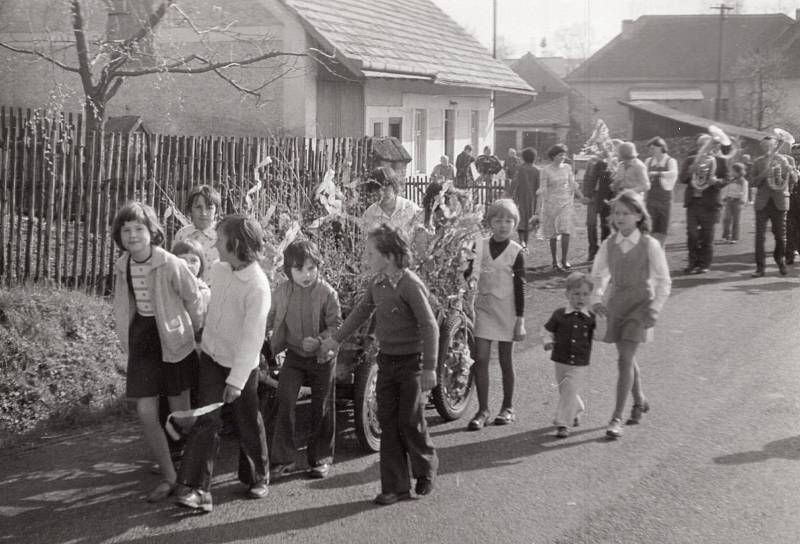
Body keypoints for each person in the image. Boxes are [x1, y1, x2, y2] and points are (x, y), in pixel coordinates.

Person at [321, 225, 438, 506]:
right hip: (386, 362)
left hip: (412, 363)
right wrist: (336, 340)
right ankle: (394, 487)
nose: (366, 256)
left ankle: (425, 467)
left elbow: (430, 326)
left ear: (388, 255)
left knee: (409, 420)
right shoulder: (378, 283)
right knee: (388, 421)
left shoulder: (410, 284)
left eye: (370, 252)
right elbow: (361, 312)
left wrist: (431, 368)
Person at [175, 215, 271, 513]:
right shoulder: (218, 269)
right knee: (208, 420)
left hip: (242, 367)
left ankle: (258, 475)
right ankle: (198, 489)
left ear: (237, 244)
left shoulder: (257, 286)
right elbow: (207, 304)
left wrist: (237, 381)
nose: (215, 244)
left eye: (220, 239)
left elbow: (252, 339)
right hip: (213, 359)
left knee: (247, 420)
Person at [111, 201, 204, 503]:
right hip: (143, 342)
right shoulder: (123, 264)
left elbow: (194, 297)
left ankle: (197, 470)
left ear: (153, 232)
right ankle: (171, 477)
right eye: (126, 229)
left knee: (183, 416)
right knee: (146, 412)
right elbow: (125, 305)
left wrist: (193, 331)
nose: (132, 235)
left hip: (174, 342)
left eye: (139, 228)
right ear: (119, 234)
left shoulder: (169, 263)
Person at [590, 190, 671, 439]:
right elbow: (598, 274)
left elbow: (664, 281)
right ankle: (638, 400)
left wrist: (655, 309)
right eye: (616, 212)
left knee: (625, 358)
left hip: (640, 305)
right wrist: (596, 297)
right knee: (626, 356)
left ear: (638, 215)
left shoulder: (650, 244)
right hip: (616, 304)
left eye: (626, 213)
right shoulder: (609, 243)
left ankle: (616, 417)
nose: (620, 217)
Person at [267, 239, 342, 480]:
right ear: (288, 270)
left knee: (321, 406)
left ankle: (320, 458)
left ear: (318, 266)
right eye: (299, 269)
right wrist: (266, 337)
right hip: (294, 356)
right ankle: (283, 458)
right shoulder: (281, 292)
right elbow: (269, 318)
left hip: (322, 357)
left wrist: (321, 341)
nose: (306, 274)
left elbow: (337, 325)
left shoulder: (327, 292)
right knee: (285, 400)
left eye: (311, 268)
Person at [466, 199, 526, 430]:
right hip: (483, 308)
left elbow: (521, 288)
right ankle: (482, 410)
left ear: (515, 224)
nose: (503, 225)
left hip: (507, 311)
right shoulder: (479, 245)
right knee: (480, 359)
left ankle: (507, 407)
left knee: (504, 360)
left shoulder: (516, 252)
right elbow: (469, 271)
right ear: (489, 222)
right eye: (498, 220)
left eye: (508, 221)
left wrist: (520, 320)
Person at [542, 272, 596, 438]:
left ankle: (563, 423)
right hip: (560, 359)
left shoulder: (591, 318)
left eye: (585, 294)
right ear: (567, 294)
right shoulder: (559, 314)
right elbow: (547, 330)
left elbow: (600, 333)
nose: (581, 298)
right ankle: (577, 408)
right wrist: (547, 341)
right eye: (576, 294)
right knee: (564, 389)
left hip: (579, 362)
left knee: (569, 388)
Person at [678, 133, 730, 274]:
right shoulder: (690, 160)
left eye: (708, 145)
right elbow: (682, 178)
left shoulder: (720, 160)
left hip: (710, 203)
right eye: (702, 145)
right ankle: (692, 263)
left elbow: (726, 179)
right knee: (692, 234)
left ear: (713, 146)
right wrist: (690, 172)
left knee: (707, 236)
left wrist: (717, 182)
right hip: (693, 202)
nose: (704, 148)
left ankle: (704, 264)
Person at [750, 136, 793, 277]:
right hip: (762, 203)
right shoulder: (758, 162)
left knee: (780, 237)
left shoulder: (783, 160)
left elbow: (790, 180)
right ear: (762, 146)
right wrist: (764, 173)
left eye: (771, 145)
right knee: (759, 237)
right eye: (765, 145)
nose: (768, 147)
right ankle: (760, 268)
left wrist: (789, 171)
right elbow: (752, 182)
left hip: (779, 202)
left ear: (775, 145)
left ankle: (779, 259)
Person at [539, 144, 585, 271]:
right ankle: (554, 260)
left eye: (564, 154)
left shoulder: (567, 168)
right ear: (553, 156)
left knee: (566, 230)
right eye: (560, 155)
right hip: (551, 204)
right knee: (553, 233)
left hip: (565, 203)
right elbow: (543, 188)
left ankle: (564, 259)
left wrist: (581, 197)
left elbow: (572, 184)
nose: (563, 157)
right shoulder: (546, 170)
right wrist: (542, 203)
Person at [174, 185, 222, 282]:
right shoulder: (182, 235)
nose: (203, 213)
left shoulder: (222, 235)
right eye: (198, 207)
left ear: (216, 211)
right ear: (190, 209)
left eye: (209, 208)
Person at [363, 167, 420, 240]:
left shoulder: (410, 208)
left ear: (394, 185)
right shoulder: (370, 214)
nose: (381, 193)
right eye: (377, 189)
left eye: (385, 188)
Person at [643, 137, 678, 247]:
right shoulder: (648, 161)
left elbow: (673, 174)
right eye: (650, 149)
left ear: (661, 147)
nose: (651, 151)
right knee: (650, 228)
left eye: (653, 148)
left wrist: (657, 174)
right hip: (651, 199)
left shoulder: (670, 161)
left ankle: (660, 252)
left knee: (662, 228)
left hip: (665, 199)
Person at [583, 150, 615, 261]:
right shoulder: (591, 162)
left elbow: (611, 180)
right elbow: (587, 178)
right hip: (592, 196)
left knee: (605, 224)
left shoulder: (611, 161)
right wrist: (586, 195)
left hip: (605, 196)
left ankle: (604, 250)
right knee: (591, 224)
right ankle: (592, 250)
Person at [507, 147, 539, 251]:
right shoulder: (537, 170)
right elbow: (539, 187)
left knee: (521, 221)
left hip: (520, 198)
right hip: (533, 200)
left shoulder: (520, 169)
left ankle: (522, 242)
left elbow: (514, 183)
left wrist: (509, 194)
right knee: (529, 222)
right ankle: (525, 242)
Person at [720, 163, 749, 244]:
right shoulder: (731, 180)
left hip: (737, 202)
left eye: (733, 171)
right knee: (726, 219)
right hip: (729, 201)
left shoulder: (743, 181)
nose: (731, 172)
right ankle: (726, 235)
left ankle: (734, 237)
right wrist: (724, 197)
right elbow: (727, 189)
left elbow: (744, 192)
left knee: (736, 220)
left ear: (738, 171)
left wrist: (742, 201)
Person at [786, 144, 800, 264]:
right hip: (791, 201)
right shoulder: (789, 165)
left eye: (799, 154)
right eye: (794, 154)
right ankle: (789, 256)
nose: (796, 157)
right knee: (790, 229)